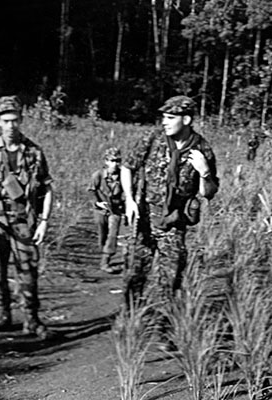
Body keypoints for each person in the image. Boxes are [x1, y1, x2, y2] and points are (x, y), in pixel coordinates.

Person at [120, 95, 219, 341]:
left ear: (186, 119)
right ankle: (129, 323)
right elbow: (127, 167)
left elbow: (209, 193)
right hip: (143, 221)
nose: (164, 121)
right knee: (135, 274)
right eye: (163, 117)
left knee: (171, 278)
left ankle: (163, 331)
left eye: (170, 117)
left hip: (173, 224)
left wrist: (204, 173)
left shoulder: (201, 149)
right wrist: (130, 199)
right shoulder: (151, 139)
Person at [0, 95, 53, 339]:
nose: (10, 126)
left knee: (29, 270)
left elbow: (47, 188)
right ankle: (4, 315)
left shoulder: (34, 152)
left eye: (14, 120)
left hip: (24, 221)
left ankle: (32, 319)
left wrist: (44, 221)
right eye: (5, 121)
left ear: (21, 120)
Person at [87, 147, 125, 274]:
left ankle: (105, 261)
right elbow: (91, 190)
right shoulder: (98, 175)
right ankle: (104, 253)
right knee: (102, 235)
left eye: (118, 160)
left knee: (112, 235)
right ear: (106, 161)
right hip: (100, 210)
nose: (115, 164)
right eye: (112, 160)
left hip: (116, 210)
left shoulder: (123, 175)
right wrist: (97, 202)